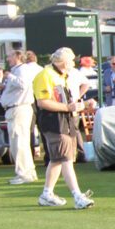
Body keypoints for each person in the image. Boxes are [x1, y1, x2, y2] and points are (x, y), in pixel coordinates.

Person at [32, 48, 94, 209]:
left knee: (57, 159)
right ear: (64, 62)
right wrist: (68, 107)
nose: (73, 64)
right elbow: (42, 102)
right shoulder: (45, 75)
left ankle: (47, 194)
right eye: (71, 61)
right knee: (66, 159)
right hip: (54, 122)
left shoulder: (61, 75)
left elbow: (66, 100)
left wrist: (81, 105)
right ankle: (77, 196)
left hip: (66, 120)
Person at [1, 49, 41, 185]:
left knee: (18, 144)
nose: (8, 59)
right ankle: (29, 172)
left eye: (10, 56)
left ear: (17, 56)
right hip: (17, 109)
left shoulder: (22, 69)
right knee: (21, 143)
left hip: (18, 109)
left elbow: (23, 84)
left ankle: (23, 174)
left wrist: (10, 77)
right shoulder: (19, 70)